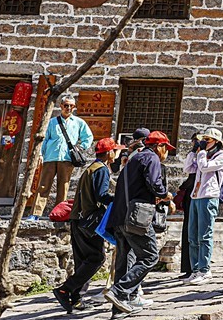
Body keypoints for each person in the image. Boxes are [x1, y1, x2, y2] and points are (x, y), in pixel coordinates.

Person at [105, 131, 174, 315]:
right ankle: (119, 292)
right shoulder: (152, 159)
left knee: (124, 262)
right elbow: (154, 183)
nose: (166, 153)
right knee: (150, 256)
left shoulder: (133, 160)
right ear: (159, 147)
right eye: (166, 149)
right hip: (136, 218)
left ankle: (118, 310)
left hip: (119, 217)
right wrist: (164, 194)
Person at [52, 136, 123, 313]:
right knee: (97, 258)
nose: (117, 153)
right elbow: (101, 196)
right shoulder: (101, 170)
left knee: (82, 260)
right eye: (115, 150)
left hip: (78, 220)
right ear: (109, 153)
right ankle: (65, 289)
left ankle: (75, 299)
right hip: (90, 222)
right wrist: (120, 199)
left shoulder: (91, 168)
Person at [26, 95, 94, 218]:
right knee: (43, 186)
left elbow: (88, 137)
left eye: (71, 106)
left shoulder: (79, 123)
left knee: (63, 187)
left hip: (67, 159)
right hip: (51, 157)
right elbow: (44, 139)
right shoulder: (52, 122)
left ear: (74, 107)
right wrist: (41, 154)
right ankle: (35, 214)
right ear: (61, 106)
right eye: (66, 105)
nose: (68, 108)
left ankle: (59, 214)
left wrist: (81, 147)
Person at [183, 127, 223, 284]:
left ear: (216, 142)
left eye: (207, 140)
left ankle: (205, 270)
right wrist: (193, 151)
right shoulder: (202, 155)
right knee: (192, 235)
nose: (204, 142)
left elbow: (204, 167)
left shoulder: (221, 156)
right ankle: (195, 269)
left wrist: (201, 153)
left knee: (204, 234)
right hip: (196, 196)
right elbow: (188, 168)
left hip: (209, 196)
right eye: (202, 139)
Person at [175, 133, 199, 278]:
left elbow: (194, 177)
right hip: (190, 196)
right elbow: (189, 170)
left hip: (197, 195)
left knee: (194, 231)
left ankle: (194, 267)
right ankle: (188, 267)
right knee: (188, 230)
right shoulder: (195, 156)